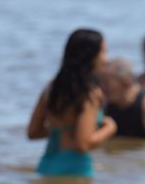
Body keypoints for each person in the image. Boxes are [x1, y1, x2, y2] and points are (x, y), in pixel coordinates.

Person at [27, 29, 117, 176]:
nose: (106, 59)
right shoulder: (90, 94)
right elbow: (83, 145)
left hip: (46, 167)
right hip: (75, 171)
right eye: (103, 52)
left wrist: (62, 129)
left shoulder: (51, 88)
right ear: (90, 56)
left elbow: (33, 132)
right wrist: (110, 128)